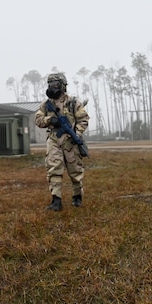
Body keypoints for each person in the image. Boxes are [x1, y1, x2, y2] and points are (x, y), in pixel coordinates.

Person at [35, 73, 89, 211]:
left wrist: (75, 134)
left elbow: (83, 119)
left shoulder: (73, 102)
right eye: (50, 85)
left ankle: (77, 197)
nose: (53, 88)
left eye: (56, 85)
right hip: (54, 139)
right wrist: (49, 120)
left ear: (63, 86)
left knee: (75, 170)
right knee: (54, 168)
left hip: (70, 141)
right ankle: (56, 200)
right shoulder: (46, 105)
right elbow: (38, 120)